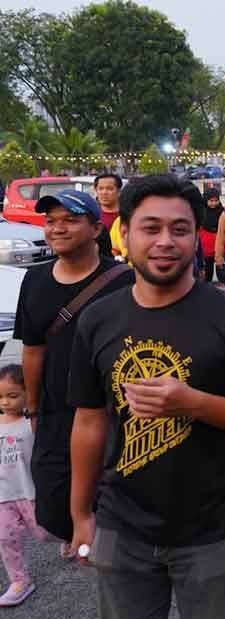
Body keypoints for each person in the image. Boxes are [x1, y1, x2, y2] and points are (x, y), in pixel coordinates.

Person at [67, 174, 225, 619]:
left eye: (180, 229)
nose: (165, 242)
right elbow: (89, 421)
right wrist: (80, 515)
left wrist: (193, 403)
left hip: (210, 528)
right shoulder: (98, 320)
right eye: (151, 228)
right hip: (123, 526)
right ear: (125, 234)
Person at [13, 190, 133, 545]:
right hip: (57, 409)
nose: (57, 229)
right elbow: (32, 349)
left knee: (115, 494)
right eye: (51, 221)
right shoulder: (34, 280)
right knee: (54, 499)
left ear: (97, 228)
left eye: (70, 220)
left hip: (112, 411)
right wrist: (33, 408)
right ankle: (77, 535)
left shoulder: (125, 281)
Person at [0, 365, 47, 607]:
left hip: (30, 490)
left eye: (12, 395)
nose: (5, 402)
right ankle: (19, 580)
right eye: (0, 397)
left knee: (45, 532)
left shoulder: (33, 423)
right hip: (4, 495)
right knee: (6, 538)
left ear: (28, 393)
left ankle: (71, 541)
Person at [199, 187, 225, 282]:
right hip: (206, 247)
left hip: (220, 247)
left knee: (222, 273)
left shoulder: (223, 212)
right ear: (206, 200)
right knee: (207, 274)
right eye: (211, 201)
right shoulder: (201, 212)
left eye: (216, 200)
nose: (214, 203)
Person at [93, 173, 121, 257]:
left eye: (109, 189)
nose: (104, 192)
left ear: (119, 191)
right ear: (96, 190)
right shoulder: (91, 215)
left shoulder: (128, 214)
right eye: (100, 189)